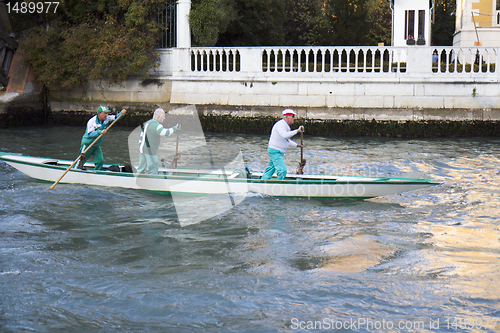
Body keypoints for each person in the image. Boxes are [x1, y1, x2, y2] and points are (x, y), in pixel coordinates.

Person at [77, 106, 126, 171]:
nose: (106, 115)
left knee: (100, 162)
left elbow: (116, 117)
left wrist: (121, 113)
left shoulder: (107, 118)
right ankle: (75, 171)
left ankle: (96, 174)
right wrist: (99, 132)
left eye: (107, 113)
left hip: (96, 145)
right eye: (105, 113)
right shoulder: (92, 121)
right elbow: (89, 134)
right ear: (99, 114)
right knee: (80, 162)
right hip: (88, 144)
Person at [261, 109, 304, 180]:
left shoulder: (285, 126)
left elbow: (287, 140)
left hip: (277, 151)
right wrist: (297, 131)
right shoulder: (281, 125)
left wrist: (297, 145)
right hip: (275, 151)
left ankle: (263, 181)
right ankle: (279, 184)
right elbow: (284, 135)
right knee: (282, 170)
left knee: (270, 170)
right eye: (292, 116)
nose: (294, 118)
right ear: (287, 117)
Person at [137, 108, 180, 174]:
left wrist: (141, 147)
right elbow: (166, 133)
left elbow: (140, 138)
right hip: (150, 150)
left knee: (141, 169)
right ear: (158, 117)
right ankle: (152, 182)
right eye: (163, 116)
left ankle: (138, 179)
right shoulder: (156, 125)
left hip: (142, 149)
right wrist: (175, 127)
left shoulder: (147, 123)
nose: (164, 118)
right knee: (153, 169)